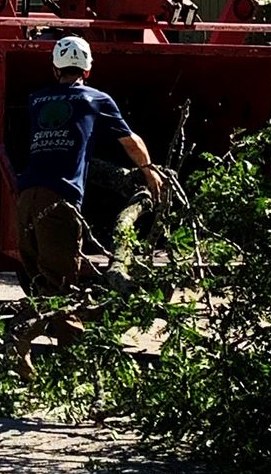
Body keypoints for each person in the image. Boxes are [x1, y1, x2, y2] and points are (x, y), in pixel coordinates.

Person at [16, 35, 163, 294]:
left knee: (39, 283)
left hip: (26, 198)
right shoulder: (95, 99)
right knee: (61, 287)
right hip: (59, 200)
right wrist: (149, 171)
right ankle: (67, 333)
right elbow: (131, 143)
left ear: (54, 69)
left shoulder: (35, 100)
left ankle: (27, 331)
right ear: (88, 69)